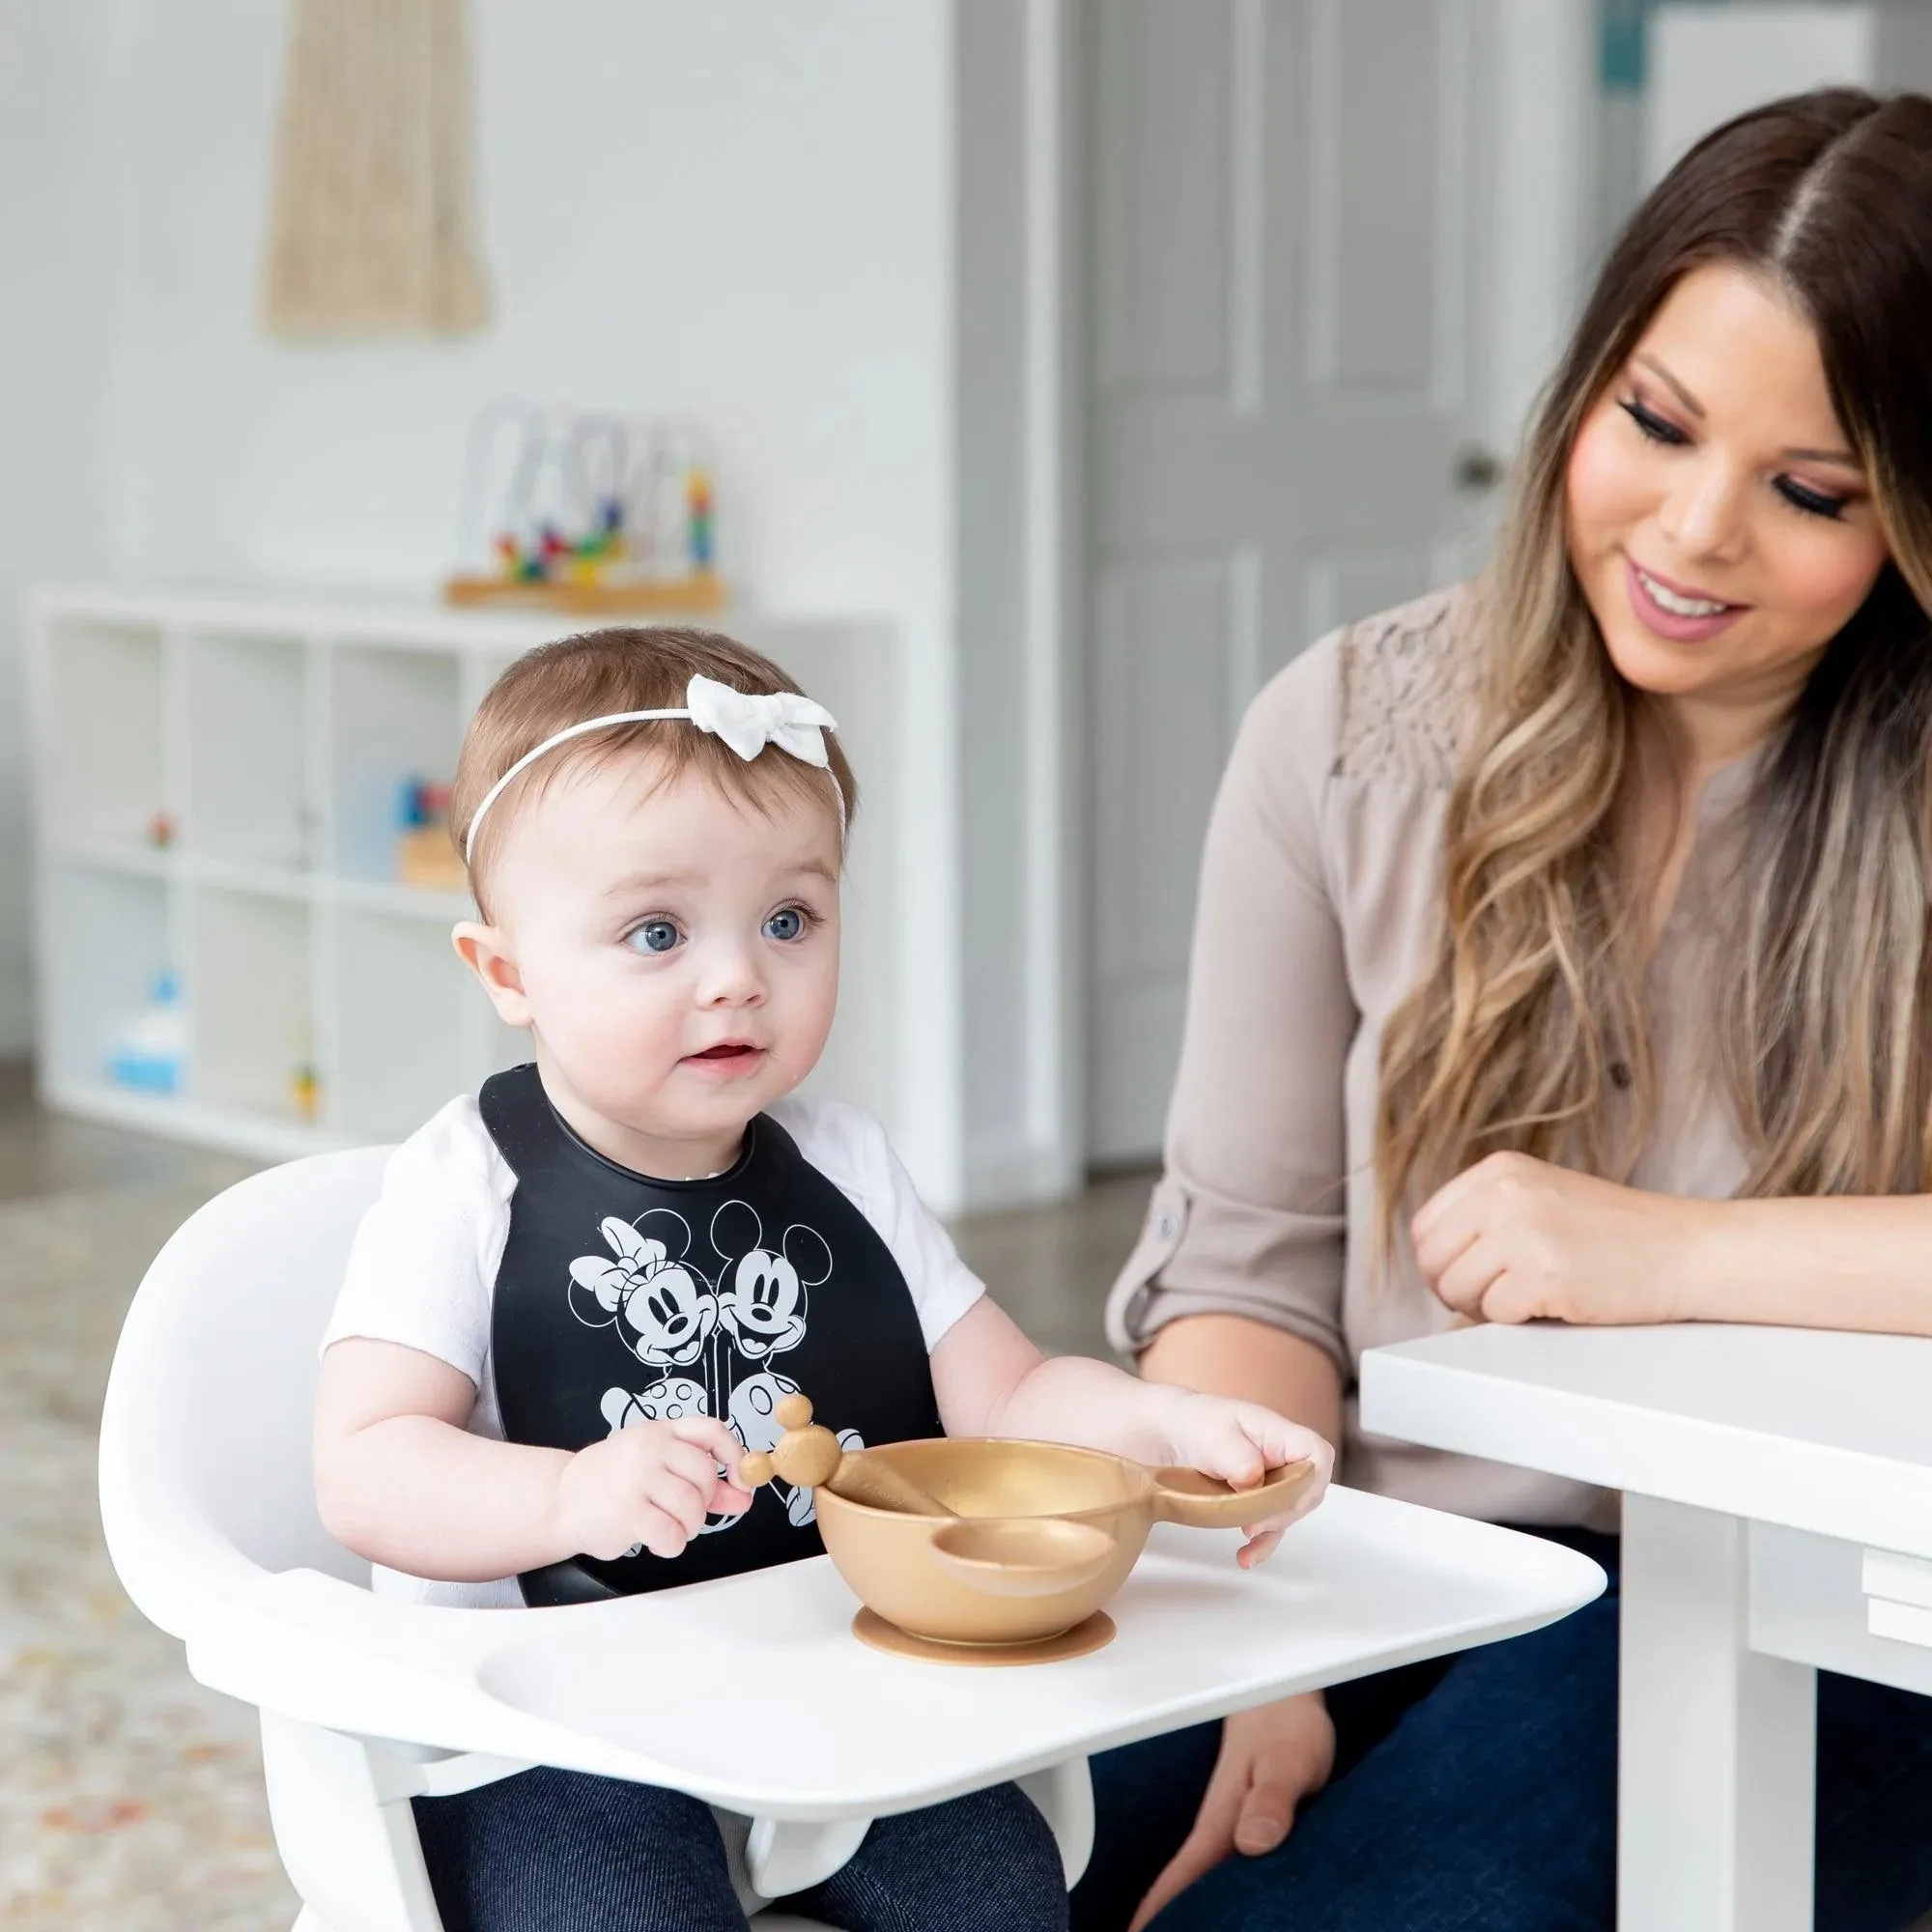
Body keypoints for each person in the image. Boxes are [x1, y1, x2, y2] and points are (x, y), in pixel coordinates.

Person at [1070, 86, 1932, 1932]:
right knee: (958, 1863)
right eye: (1658, 422)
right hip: (1372, 1549)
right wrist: (1253, 1628)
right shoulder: (1345, 732)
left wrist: (1668, 1254)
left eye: (1813, 494)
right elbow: (1248, 1267)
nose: (1696, 534)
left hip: (1810, 1605)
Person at [310, 624, 1334, 1932]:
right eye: (657, 931)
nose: (739, 976)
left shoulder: (845, 1164)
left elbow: (1010, 1396)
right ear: (507, 972)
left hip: (835, 1695)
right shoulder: (461, 1184)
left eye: (788, 918)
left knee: (1002, 1894)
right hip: (549, 1733)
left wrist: (1169, 1423)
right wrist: (569, 1493)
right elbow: (367, 1468)